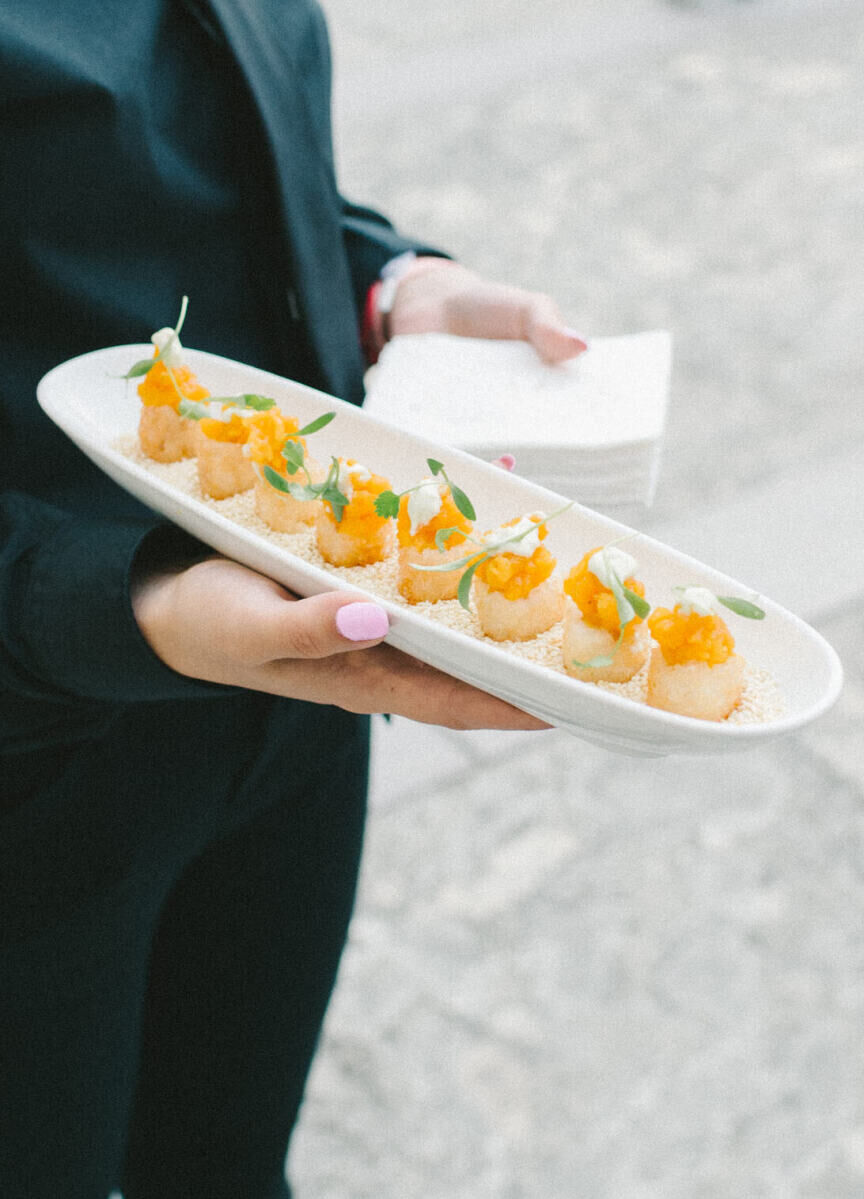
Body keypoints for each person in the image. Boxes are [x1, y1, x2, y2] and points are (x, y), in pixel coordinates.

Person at [0, 1, 585, 1195]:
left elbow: (191, 166)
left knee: (227, 1162)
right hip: (36, 759)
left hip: (292, 710)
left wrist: (387, 282)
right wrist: (140, 603)